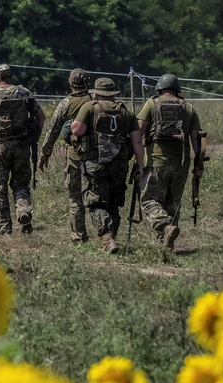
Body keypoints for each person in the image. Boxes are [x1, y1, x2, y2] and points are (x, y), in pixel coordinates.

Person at [70, 78, 145, 254]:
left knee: (96, 203)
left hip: (95, 164)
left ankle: (106, 238)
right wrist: (140, 167)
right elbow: (137, 143)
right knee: (113, 204)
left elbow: (76, 130)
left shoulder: (89, 107)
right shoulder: (126, 112)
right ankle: (111, 239)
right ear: (113, 93)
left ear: (96, 93)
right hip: (120, 165)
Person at [0, 64, 45, 234]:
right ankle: (23, 211)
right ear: (10, 76)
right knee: (21, 184)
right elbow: (41, 117)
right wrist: (34, 138)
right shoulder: (24, 93)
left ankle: (4, 227)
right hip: (22, 146)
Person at [137, 74, 203, 250]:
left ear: (159, 88)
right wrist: (198, 164)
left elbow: (139, 129)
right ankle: (167, 243)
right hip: (181, 164)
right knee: (173, 202)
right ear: (177, 89)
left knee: (149, 200)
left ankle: (165, 227)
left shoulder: (152, 103)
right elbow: (197, 140)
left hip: (156, 162)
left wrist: (136, 151)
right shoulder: (188, 108)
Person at [38, 68, 93, 243]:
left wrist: (44, 154)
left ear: (70, 84)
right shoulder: (95, 100)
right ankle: (105, 234)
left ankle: (78, 237)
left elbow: (53, 130)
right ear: (88, 82)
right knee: (97, 198)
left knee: (75, 198)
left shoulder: (65, 103)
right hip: (97, 157)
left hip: (74, 157)